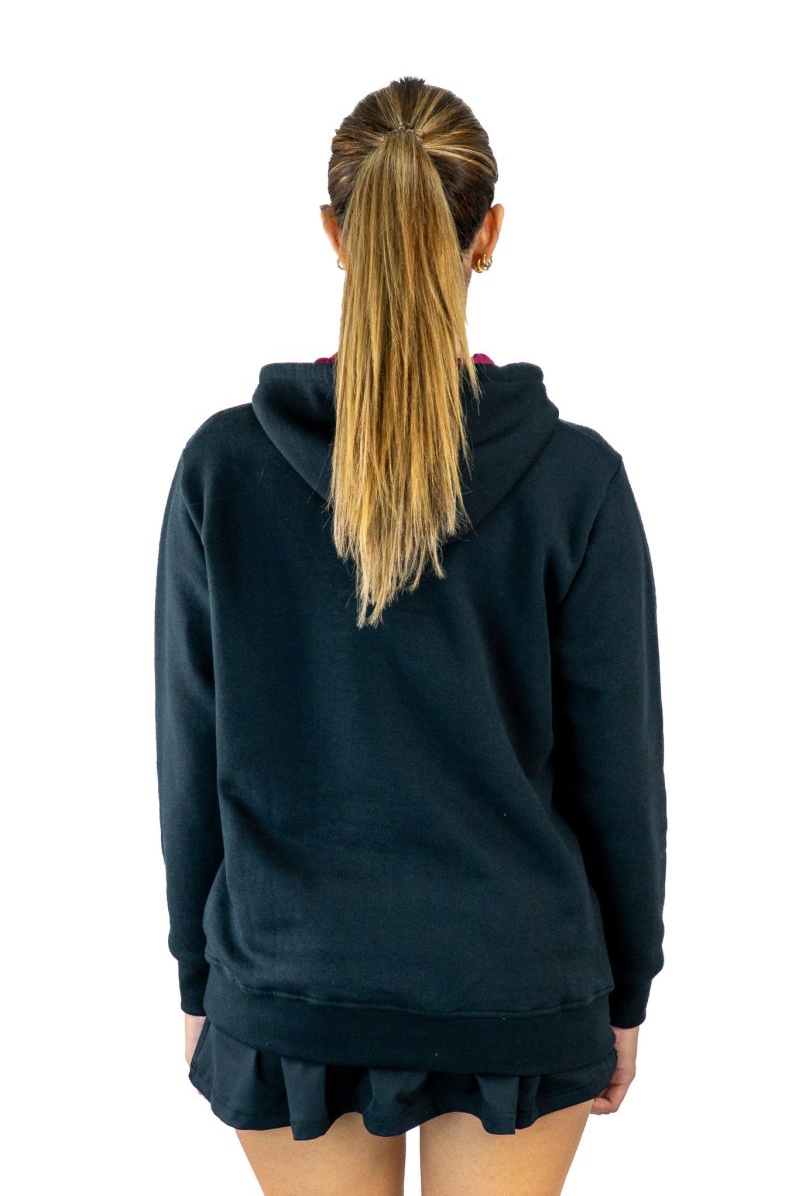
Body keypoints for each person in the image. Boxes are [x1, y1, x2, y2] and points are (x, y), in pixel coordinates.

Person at [154, 75, 668, 1196]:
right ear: (488, 234)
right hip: (516, 985)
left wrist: (199, 979)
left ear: (335, 234)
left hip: (291, 982)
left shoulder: (223, 471)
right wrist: (627, 992)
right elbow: (618, 774)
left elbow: (191, 754)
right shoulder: (574, 479)